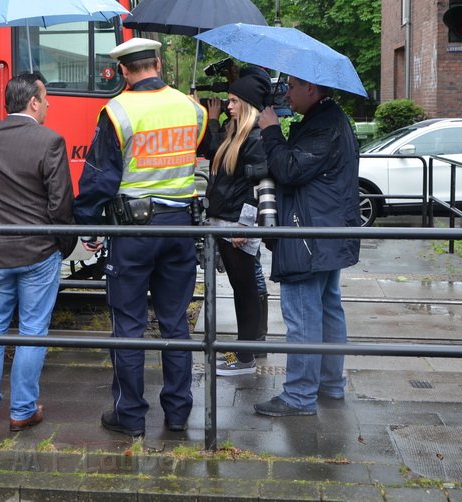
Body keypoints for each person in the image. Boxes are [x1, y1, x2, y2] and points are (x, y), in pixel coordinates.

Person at [74, 37, 207, 438]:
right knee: (175, 323)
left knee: (128, 326)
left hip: (133, 230)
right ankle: (179, 413)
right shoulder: (192, 109)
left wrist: (87, 224)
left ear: (123, 71)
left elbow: (100, 178)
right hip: (180, 227)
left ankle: (130, 417)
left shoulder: (117, 111)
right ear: (160, 63)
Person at [0, 72, 76, 432]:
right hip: (38, 250)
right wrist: (65, 244)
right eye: (45, 99)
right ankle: (22, 410)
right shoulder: (50, 141)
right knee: (32, 330)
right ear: (33, 101)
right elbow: (60, 203)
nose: (48, 105)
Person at [252, 75, 360, 417]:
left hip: (308, 235)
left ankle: (299, 395)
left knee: (302, 315)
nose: (286, 94)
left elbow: (289, 169)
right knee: (328, 309)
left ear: (311, 88)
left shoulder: (324, 125)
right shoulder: (328, 119)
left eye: (292, 87)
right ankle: (329, 384)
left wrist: (270, 130)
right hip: (325, 233)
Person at [197, 72, 270, 376]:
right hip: (227, 222)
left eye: (234, 101)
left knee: (245, 291)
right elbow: (213, 154)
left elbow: (260, 183)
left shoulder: (254, 137)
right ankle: (246, 354)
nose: (228, 106)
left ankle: (245, 358)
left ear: (248, 104)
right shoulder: (236, 132)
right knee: (242, 289)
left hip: (237, 226)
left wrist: (246, 224)